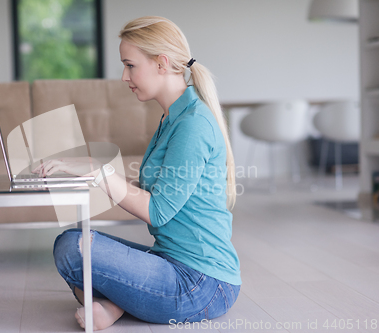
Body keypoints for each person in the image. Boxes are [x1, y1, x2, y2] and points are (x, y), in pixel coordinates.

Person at [33, 16, 241, 331]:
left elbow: (156, 211)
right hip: (171, 262)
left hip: (202, 283)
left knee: (73, 249)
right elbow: (157, 194)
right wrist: (90, 171)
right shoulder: (173, 117)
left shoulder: (193, 124)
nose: (123, 76)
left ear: (162, 63)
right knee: (73, 242)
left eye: (130, 65)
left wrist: (100, 173)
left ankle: (116, 302)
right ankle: (118, 303)